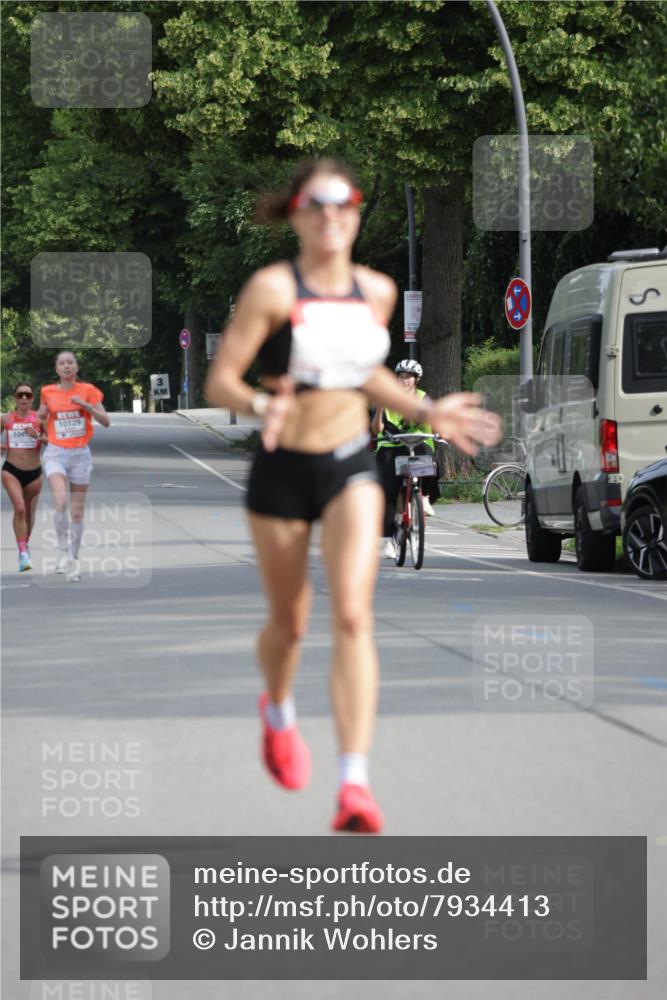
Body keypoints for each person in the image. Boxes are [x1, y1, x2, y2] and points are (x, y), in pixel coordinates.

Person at [205, 158, 501, 834]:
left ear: (356, 213)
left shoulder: (375, 290)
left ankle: (353, 785)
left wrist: (429, 412)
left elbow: (365, 375)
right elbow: (220, 382)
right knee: (291, 624)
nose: (331, 214)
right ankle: (278, 711)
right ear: (298, 213)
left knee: (352, 618)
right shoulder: (271, 289)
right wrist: (258, 403)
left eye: (345, 202)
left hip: (348, 464)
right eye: (318, 202)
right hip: (282, 467)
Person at [39, 351, 109, 583]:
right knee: (60, 501)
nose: (67, 366)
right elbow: (41, 419)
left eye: (70, 363)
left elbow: (106, 422)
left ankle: (73, 557)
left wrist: (86, 406)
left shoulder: (88, 390)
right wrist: (36, 420)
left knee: (77, 512)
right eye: (62, 363)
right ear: (57, 369)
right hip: (56, 453)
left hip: (80, 454)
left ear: (76, 368)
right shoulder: (47, 392)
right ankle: (61, 550)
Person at [371, 359, 440, 559]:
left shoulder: (422, 397)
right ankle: (386, 540)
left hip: (416, 442)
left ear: (416, 379)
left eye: (409, 377)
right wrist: (380, 410)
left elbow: (432, 418)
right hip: (391, 445)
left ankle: (424, 496)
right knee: (388, 491)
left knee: (429, 459)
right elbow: (376, 430)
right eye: (401, 376)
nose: (404, 380)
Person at [1, 383, 47, 571]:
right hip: (11, 470)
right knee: (19, 508)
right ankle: (22, 553)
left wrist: (37, 435)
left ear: (32, 399)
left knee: (28, 513)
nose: (24, 399)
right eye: (20, 395)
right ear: (15, 397)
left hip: (34, 473)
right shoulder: (5, 419)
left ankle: (24, 544)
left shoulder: (40, 419)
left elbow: (53, 442)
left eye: (28, 395)